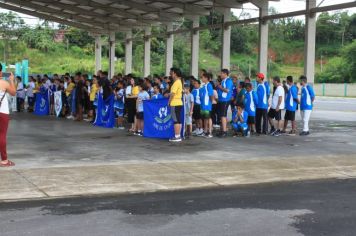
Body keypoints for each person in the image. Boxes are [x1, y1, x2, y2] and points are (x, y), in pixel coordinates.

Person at [0, 65, 16, 167]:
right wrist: (11, 80)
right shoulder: (4, 83)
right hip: (2, 112)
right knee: (2, 135)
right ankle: (4, 160)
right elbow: (13, 93)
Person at [216, 69, 233, 137]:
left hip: (225, 100)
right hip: (221, 99)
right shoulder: (223, 80)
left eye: (222, 73)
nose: (220, 75)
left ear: (225, 74)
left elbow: (227, 90)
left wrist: (220, 87)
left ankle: (224, 131)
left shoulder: (228, 81)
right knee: (222, 115)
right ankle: (222, 129)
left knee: (223, 115)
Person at [168, 67, 184, 142]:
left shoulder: (176, 82)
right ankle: (178, 135)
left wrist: (169, 102)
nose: (170, 74)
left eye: (171, 72)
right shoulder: (179, 81)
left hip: (175, 103)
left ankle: (177, 136)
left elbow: (172, 94)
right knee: (178, 120)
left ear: (174, 73)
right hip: (178, 103)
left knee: (176, 120)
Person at [199, 73, 214, 138]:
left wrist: (211, 102)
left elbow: (211, 95)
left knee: (208, 118)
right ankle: (205, 131)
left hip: (207, 105)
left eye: (202, 77)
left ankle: (210, 132)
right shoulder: (204, 85)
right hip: (203, 105)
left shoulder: (209, 85)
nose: (201, 78)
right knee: (205, 118)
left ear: (206, 78)